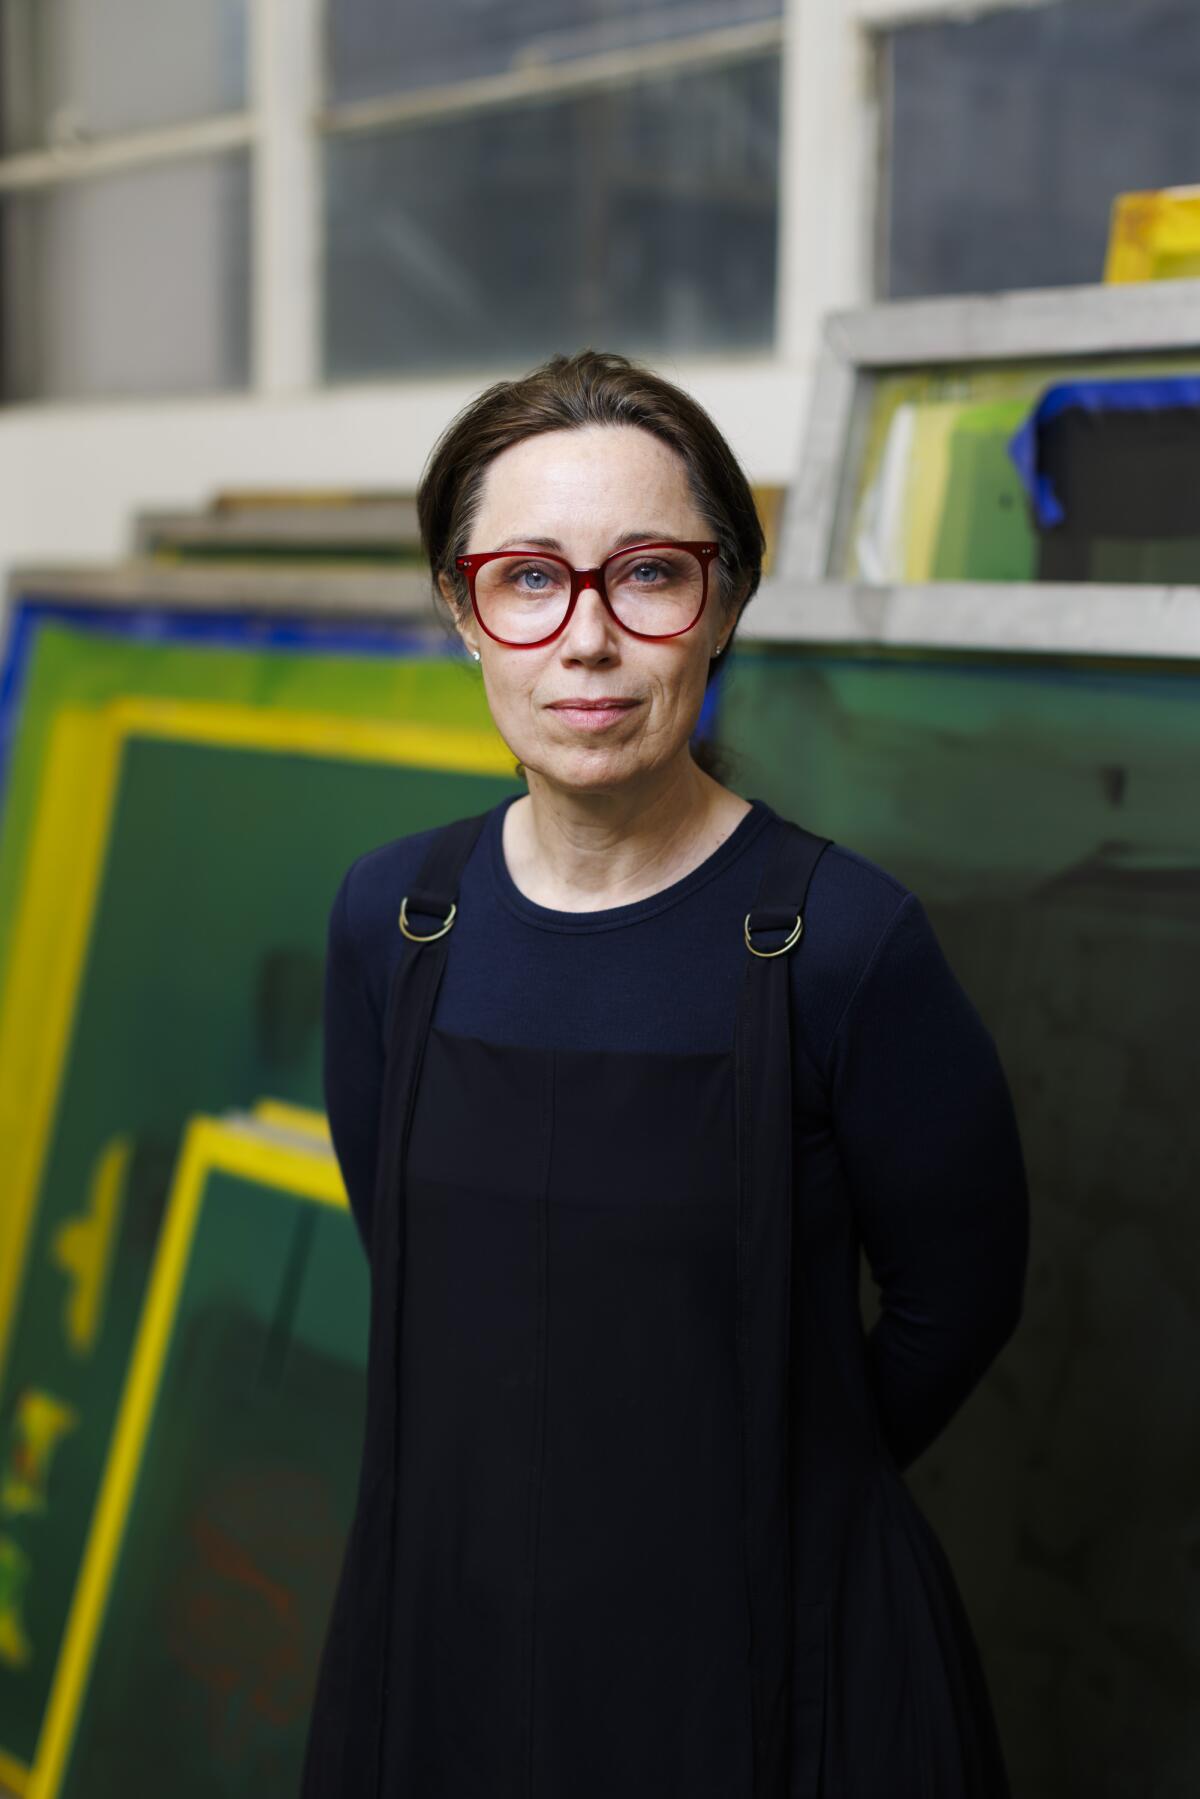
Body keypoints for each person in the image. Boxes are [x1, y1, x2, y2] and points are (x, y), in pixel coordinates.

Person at [299, 349, 1029, 1799]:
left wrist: (765, 1499)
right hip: (456, 1650)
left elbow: (961, 1300)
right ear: (466, 612)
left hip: (767, 1666)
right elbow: (420, 1278)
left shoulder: (844, 944)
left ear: (725, 606)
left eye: (647, 575)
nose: (587, 641)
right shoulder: (395, 925)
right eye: (526, 579)